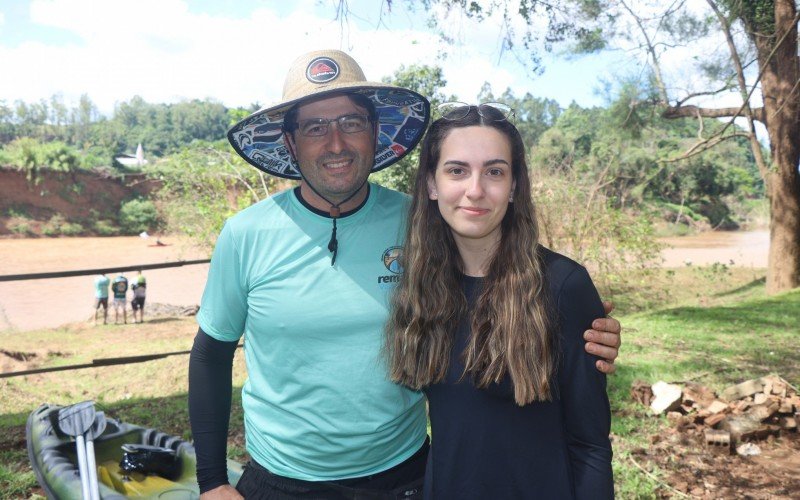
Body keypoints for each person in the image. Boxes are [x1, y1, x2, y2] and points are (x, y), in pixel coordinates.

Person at [189, 49, 622, 499]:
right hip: (280, 479)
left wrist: (583, 323)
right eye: (315, 127)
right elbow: (210, 355)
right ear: (291, 142)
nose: (336, 143)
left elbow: (504, 276)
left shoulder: (422, 224)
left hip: (404, 478)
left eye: (351, 123)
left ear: (375, 134)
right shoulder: (245, 234)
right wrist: (212, 480)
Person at [385, 103, 613, 498]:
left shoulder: (562, 285)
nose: (475, 190)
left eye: (494, 171)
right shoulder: (421, 286)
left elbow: (590, 444)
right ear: (431, 184)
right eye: (457, 170)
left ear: (514, 187)